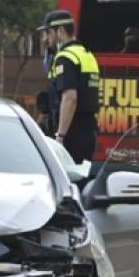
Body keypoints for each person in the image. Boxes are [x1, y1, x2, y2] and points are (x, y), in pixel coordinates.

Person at [41, 9, 101, 164]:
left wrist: (60, 137)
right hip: (87, 131)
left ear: (60, 31)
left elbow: (70, 98)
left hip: (71, 134)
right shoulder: (86, 55)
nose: (45, 39)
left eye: (48, 33)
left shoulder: (65, 57)